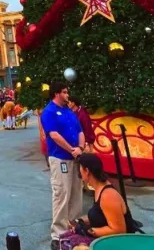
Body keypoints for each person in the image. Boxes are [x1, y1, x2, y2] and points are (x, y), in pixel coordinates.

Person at [60, 153, 138, 247]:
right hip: (105, 238)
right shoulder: (98, 189)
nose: (79, 172)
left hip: (119, 243)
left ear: (87, 171)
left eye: (80, 168)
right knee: (64, 237)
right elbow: (99, 216)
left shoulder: (108, 195)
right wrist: (79, 221)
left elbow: (119, 230)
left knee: (69, 243)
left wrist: (86, 230)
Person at [41, 82, 84, 250]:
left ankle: (73, 228)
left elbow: (80, 131)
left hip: (75, 158)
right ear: (56, 94)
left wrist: (80, 148)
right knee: (61, 194)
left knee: (76, 193)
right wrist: (71, 149)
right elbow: (54, 135)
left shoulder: (69, 111)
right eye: (65, 92)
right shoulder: (49, 112)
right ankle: (58, 234)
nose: (68, 95)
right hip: (60, 159)